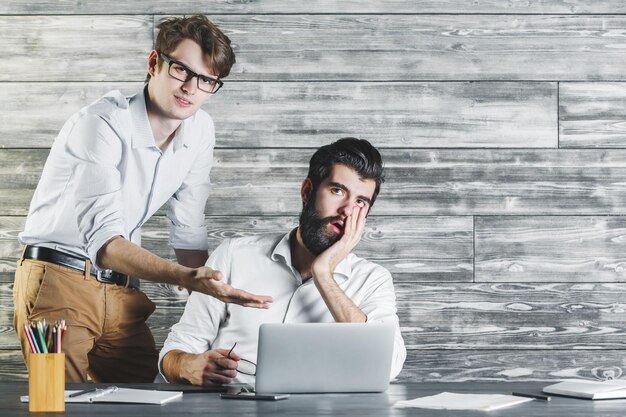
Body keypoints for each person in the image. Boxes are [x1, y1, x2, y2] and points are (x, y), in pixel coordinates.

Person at [13, 15, 272, 384]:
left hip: (122, 292)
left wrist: (214, 294)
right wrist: (189, 277)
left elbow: (189, 228)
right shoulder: (100, 123)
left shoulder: (200, 130)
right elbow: (103, 242)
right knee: (56, 403)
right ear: (155, 63)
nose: (191, 88)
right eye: (181, 70)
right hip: (56, 284)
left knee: (144, 399)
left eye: (206, 80)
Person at [160, 138, 406, 386]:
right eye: (337, 191)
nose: (347, 211)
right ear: (307, 191)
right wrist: (186, 365)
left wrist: (324, 274)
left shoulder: (372, 280)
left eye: (360, 202)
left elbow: (387, 367)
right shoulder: (234, 255)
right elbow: (178, 349)